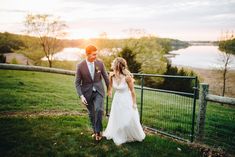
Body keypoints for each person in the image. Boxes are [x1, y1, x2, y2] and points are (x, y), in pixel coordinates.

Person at [103, 57, 145, 145]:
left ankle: (129, 134)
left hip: (126, 99)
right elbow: (110, 87)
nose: (112, 65)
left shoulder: (127, 78)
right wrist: (109, 92)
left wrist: (134, 103)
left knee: (127, 118)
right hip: (117, 99)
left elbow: (133, 91)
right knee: (117, 117)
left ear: (118, 65)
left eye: (114, 64)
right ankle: (118, 132)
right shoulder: (112, 76)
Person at [75, 45, 109, 141]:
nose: (96, 56)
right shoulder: (80, 66)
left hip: (99, 91)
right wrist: (81, 96)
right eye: (94, 55)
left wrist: (109, 89)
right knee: (91, 114)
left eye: (96, 54)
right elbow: (77, 83)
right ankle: (95, 131)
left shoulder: (100, 63)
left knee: (99, 110)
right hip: (86, 93)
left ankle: (98, 132)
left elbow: (106, 78)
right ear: (87, 54)